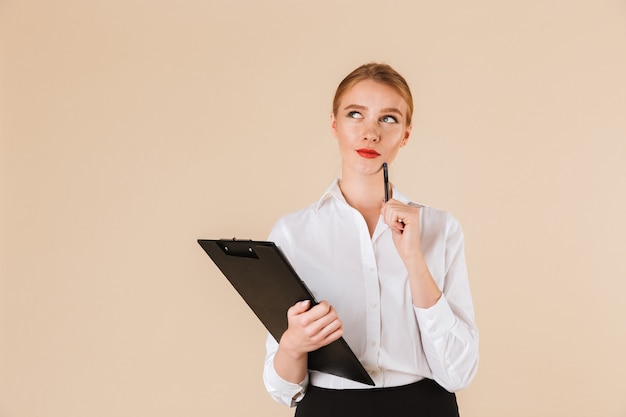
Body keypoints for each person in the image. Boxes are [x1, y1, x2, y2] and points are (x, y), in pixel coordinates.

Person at [262, 62, 479, 417]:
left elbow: (459, 372)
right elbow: (282, 389)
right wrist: (294, 344)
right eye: (355, 114)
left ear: (406, 133)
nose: (370, 133)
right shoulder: (292, 233)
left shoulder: (441, 228)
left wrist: (414, 260)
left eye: (389, 119)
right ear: (334, 124)